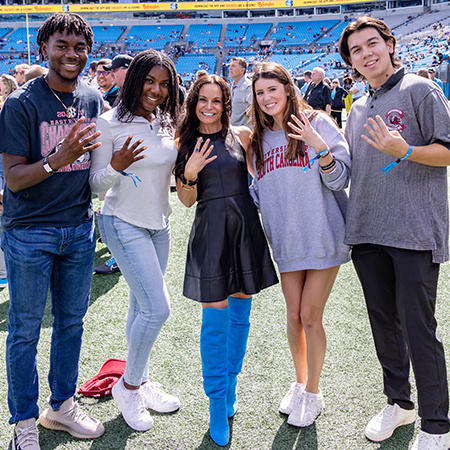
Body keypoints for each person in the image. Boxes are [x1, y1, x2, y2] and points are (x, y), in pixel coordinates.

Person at [339, 15, 450, 449]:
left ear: (390, 44)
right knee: (384, 324)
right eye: (356, 51)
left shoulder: (420, 90)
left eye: (372, 44)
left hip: (414, 231)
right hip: (366, 231)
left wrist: (404, 150)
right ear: (351, 61)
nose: (366, 54)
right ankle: (399, 403)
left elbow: (446, 151)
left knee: (419, 327)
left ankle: (437, 423)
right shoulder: (359, 105)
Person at [0, 13, 105, 450]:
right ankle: (24, 419)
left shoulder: (92, 98)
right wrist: (55, 160)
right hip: (29, 232)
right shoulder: (21, 103)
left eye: (79, 47)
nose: (71, 55)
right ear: (44, 47)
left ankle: (61, 406)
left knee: (71, 323)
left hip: (79, 229)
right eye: (62, 45)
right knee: (25, 329)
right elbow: (13, 179)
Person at [173, 74, 278, 446]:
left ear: (225, 104)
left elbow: (259, 174)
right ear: (194, 101)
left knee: (240, 318)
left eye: (216, 101)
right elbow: (186, 202)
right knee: (214, 322)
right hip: (211, 233)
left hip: (245, 229)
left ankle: (231, 384)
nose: (209, 107)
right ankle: (217, 403)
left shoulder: (242, 136)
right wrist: (188, 173)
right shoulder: (184, 142)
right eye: (203, 100)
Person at [250, 62, 351, 428]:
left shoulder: (317, 123)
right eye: (260, 93)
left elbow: (341, 180)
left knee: (310, 315)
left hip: (323, 234)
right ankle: (300, 381)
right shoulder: (258, 140)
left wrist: (320, 147)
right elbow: (259, 193)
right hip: (287, 242)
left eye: (272, 90)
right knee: (293, 317)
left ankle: (314, 392)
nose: (266, 98)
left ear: (288, 89)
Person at [89, 49, 181, 432]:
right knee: (157, 309)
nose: (156, 90)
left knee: (139, 308)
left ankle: (140, 380)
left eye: (164, 84)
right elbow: (96, 186)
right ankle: (128, 387)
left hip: (159, 224)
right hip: (121, 222)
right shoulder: (108, 123)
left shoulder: (165, 122)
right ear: (134, 79)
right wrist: (116, 166)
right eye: (149, 81)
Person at [229, 57, 252, 127]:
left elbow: (253, 112)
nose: (230, 68)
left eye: (233, 66)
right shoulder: (232, 86)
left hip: (243, 132)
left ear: (242, 70)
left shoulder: (248, 87)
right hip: (233, 130)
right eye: (230, 66)